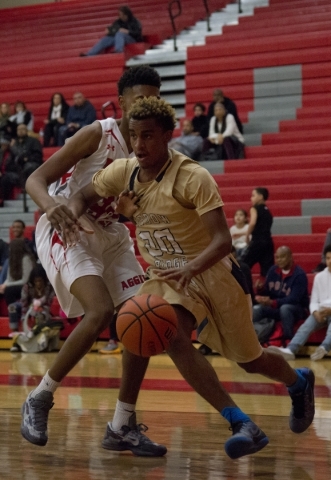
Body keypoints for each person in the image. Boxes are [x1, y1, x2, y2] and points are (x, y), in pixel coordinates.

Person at [62, 96, 315, 459]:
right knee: (169, 333)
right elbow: (83, 195)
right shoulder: (125, 171)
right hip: (167, 277)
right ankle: (240, 422)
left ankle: (298, 382)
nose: (139, 145)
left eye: (148, 136)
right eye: (133, 136)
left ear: (168, 135)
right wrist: (71, 215)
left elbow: (222, 240)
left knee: (250, 360)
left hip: (214, 273)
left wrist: (190, 267)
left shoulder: (194, 177)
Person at [21, 65, 167, 457]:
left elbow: (130, 208)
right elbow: (35, 178)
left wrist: (129, 213)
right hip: (67, 226)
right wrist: (51, 207)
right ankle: (39, 397)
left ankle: (122, 423)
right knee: (100, 311)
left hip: (109, 233)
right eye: (139, 98)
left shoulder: (152, 146)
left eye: (153, 98)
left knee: (142, 316)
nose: (146, 105)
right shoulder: (96, 134)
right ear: (121, 101)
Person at [268, 244, 331, 361]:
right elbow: (313, 300)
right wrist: (315, 312)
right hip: (321, 311)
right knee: (306, 326)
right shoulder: (319, 277)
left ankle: (324, 347)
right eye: (328, 258)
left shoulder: (299, 274)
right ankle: (291, 350)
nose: (330, 261)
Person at [253, 246, 309, 344]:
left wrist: (273, 302)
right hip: (276, 307)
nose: (279, 260)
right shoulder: (273, 270)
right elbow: (268, 292)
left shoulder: (299, 275)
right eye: (277, 257)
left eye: (282, 257)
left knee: (285, 308)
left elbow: (294, 299)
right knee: (257, 309)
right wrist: (261, 290)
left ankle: (288, 341)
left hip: (297, 309)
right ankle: (252, 339)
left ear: (291, 257)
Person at [240, 187, 274, 287]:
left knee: (243, 265)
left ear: (260, 197)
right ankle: (266, 291)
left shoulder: (254, 208)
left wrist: (247, 235)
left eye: (253, 195)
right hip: (268, 243)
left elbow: (253, 222)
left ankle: (245, 288)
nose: (251, 198)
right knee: (267, 271)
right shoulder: (268, 212)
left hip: (258, 242)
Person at [8, 264, 54, 335]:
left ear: (44, 280)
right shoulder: (27, 287)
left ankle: (40, 334)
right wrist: (24, 318)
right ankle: (15, 332)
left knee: (40, 314)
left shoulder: (49, 287)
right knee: (12, 307)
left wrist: (40, 305)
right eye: (36, 281)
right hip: (28, 306)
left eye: (40, 281)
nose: (38, 283)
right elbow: (24, 303)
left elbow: (49, 302)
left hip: (43, 308)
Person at [0, 238, 35, 306]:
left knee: (9, 290)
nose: (9, 250)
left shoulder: (26, 259)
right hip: (15, 284)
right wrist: (3, 285)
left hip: (27, 286)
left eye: (11, 248)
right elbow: (9, 278)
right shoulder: (12, 259)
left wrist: (7, 285)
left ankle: (14, 311)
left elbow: (25, 280)